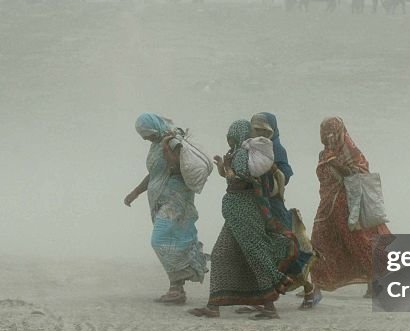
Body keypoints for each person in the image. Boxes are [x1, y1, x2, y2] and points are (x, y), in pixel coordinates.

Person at [189, 120, 299, 319]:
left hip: (243, 213)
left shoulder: (241, 153)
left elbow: (238, 178)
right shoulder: (239, 153)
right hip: (238, 214)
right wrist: (224, 167)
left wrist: (227, 170)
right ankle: (214, 305)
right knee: (224, 255)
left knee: (254, 255)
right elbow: (238, 177)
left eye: (230, 134)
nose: (228, 138)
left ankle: (268, 307)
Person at [238, 112, 319, 310]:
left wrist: (271, 169)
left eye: (266, 131)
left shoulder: (277, 149)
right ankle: (259, 297)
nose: (262, 134)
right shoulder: (247, 147)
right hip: (253, 206)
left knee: (284, 253)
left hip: (272, 208)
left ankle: (309, 289)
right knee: (255, 252)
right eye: (257, 129)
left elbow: (285, 176)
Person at [124, 113, 207, 304]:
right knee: (171, 240)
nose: (145, 139)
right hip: (162, 201)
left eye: (147, 134)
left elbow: (177, 167)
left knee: (161, 240)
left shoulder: (173, 141)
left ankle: (177, 286)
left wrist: (165, 148)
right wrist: (136, 192)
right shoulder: (158, 143)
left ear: (155, 129)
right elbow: (155, 173)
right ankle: (176, 289)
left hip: (177, 200)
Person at [309, 116, 391, 297]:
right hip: (327, 206)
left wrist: (335, 163)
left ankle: (373, 283)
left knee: (358, 243)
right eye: (325, 133)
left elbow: (358, 173)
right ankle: (316, 285)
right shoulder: (323, 154)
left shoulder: (349, 152)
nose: (328, 137)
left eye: (332, 133)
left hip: (348, 207)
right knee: (319, 241)